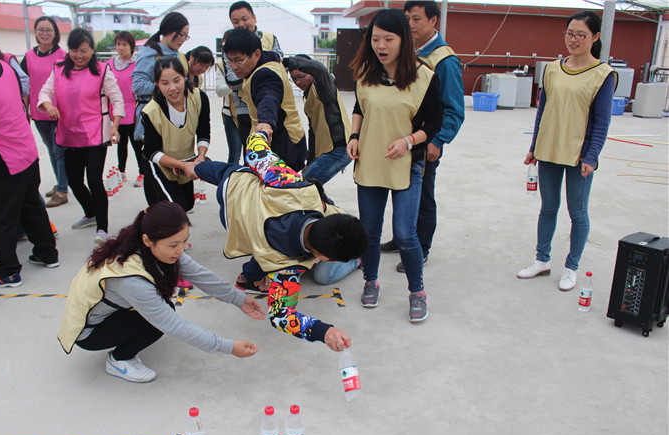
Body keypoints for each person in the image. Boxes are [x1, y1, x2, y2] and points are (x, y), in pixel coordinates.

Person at [193, 132, 368, 352]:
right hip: (236, 221)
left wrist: (261, 132)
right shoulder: (285, 268)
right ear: (322, 257)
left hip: (235, 181)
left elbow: (257, 152)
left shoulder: (294, 187)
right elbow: (281, 316)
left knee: (198, 169)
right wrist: (323, 331)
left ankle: (191, 167)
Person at [58, 201, 263, 383]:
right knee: (159, 319)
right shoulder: (130, 279)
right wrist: (228, 346)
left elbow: (200, 274)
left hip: (106, 314)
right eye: (174, 244)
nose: (181, 249)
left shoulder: (145, 242)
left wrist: (239, 299)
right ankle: (119, 360)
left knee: (163, 309)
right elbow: (173, 325)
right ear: (148, 240)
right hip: (89, 332)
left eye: (185, 241)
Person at [347, 9, 442, 323]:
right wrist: (355, 135)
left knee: (405, 233)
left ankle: (417, 291)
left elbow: (435, 122)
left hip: (407, 164)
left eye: (388, 39)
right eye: (375, 39)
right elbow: (360, 106)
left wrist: (408, 141)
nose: (380, 45)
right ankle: (370, 282)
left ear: (404, 40)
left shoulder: (424, 76)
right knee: (370, 231)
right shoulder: (365, 72)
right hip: (370, 161)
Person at [517, 10, 616, 291]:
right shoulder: (551, 68)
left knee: (578, 213)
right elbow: (543, 112)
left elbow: (602, 120)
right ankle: (542, 260)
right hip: (549, 150)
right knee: (548, 208)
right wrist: (534, 147)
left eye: (581, 35)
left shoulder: (603, 74)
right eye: (569, 33)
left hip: (578, 155)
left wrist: (592, 156)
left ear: (595, 37)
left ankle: (571, 267)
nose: (573, 40)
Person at [0, 29, 59, 288]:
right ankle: (47, 253)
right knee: (31, 206)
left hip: (3, 161)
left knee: (0, 217)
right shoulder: (2, 66)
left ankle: (8, 271)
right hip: (27, 153)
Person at [382, 1, 465, 273]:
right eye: (407, 19)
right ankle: (401, 237)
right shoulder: (405, 52)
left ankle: (422, 247)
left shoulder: (444, 60)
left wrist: (437, 142)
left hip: (425, 142)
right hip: (399, 141)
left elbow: (453, 110)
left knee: (423, 194)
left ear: (434, 21)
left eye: (416, 19)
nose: (410, 25)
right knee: (399, 189)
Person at [38, 28, 125, 245]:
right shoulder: (58, 69)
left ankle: (102, 227)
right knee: (74, 181)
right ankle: (90, 212)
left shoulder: (102, 70)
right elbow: (45, 92)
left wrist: (115, 126)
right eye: (74, 51)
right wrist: (48, 106)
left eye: (84, 51)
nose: (79, 55)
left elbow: (117, 99)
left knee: (95, 180)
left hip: (95, 133)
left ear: (93, 50)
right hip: (69, 134)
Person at [223, 28, 307, 172]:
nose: (233, 66)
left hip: (282, 146)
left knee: (277, 191)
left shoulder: (265, 74)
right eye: (229, 60)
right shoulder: (265, 64)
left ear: (256, 54)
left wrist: (265, 124)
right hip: (282, 142)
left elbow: (268, 98)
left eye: (238, 60)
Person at [141, 57, 210, 213]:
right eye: (165, 83)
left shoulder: (199, 98)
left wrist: (201, 156)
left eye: (176, 80)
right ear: (157, 84)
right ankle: (150, 226)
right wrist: (183, 166)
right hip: (158, 163)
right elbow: (152, 152)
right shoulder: (151, 111)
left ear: (184, 76)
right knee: (176, 208)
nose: (172, 88)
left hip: (184, 160)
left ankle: (152, 215)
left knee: (187, 205)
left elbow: (203, 132)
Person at [20, 15, 69, 208]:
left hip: (58, 112)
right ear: (36, 32)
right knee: (51, 150)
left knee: (59, 151)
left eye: (48, 29)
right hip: (39, 112)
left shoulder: (62, 56)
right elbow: (24, 84)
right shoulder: (29, 56)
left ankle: (63, 190)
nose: (45, 33)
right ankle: (60, 182)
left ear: (55, 33)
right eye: (41, 29)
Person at [222, 2, 283, 151]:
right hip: (243, 109)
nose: (241, 24)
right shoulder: (229, 44)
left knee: (278, 152)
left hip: (272, 105)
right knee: (251, 153)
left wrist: (250, 70)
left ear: (254, 18)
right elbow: (232, 81)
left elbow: (279, 68)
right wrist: (264, 64)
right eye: (236, 22)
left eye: (245, 19)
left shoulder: (270, 39)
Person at [284, 55, 353, 185]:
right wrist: (309, 162)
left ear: (312, 73)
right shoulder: (309, 95)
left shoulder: (323, 86)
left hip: (338, 150)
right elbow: (313, 132)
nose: (298, 82)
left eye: (301, 77)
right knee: (310, 190)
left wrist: (283, 61)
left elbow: (320, 69)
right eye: (293, 79)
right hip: (327, 152)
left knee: (303, 188)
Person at [132, 12, 190, 143]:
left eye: (186, 36)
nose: (182, 39)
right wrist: (166, 88)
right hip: (153, 117)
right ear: (169, 31)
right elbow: (138, 86)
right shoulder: (149, 54)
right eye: (181, 34)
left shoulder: (180, 56)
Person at [107, 31, 145, 187]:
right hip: (116, 111)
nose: (120, 48)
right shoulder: (109, 65)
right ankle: (121, 172)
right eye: (118, 44)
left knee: (137, 143)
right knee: (120, 143)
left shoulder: (137, 65)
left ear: (131, 47)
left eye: (124, 44)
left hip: (132, 109)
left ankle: (143, 172)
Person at [216, 29, 243, 164]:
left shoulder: (251, 62)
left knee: (255, 155)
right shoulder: (222, 65)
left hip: (251, 113)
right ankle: (232, 184)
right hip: (231, 114)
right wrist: (239, 83)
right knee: (234, 154)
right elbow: (220, 91)